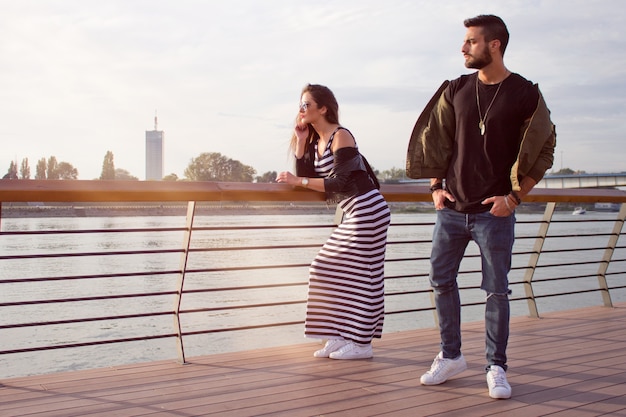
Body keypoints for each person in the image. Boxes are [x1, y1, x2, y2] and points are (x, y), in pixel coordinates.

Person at [406, 15, 556, 399]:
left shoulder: (525, 93)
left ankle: (496, 367)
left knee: (496, 291)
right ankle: (451, 355)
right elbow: (433, 140)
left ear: (495, 45)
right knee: (440, 281)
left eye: (471, 41)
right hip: (452, 210)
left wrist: (515, 197)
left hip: (495, 214)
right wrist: (435, 186)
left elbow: (545, 148)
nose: (463, 48)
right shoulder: (456, 89)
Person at [277, 83, 390, 360]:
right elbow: (305, 175)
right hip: (354, 212)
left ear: (323, 108)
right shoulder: (317, 142)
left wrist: (297, 181)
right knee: (332, 271)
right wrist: (301, 141)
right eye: (300, 105)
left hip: (367, 210)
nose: (300, 110)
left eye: (306, 105)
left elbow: (339, 181)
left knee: (358, 275)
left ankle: (362, 343)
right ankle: (340, 336)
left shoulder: (342, 136)